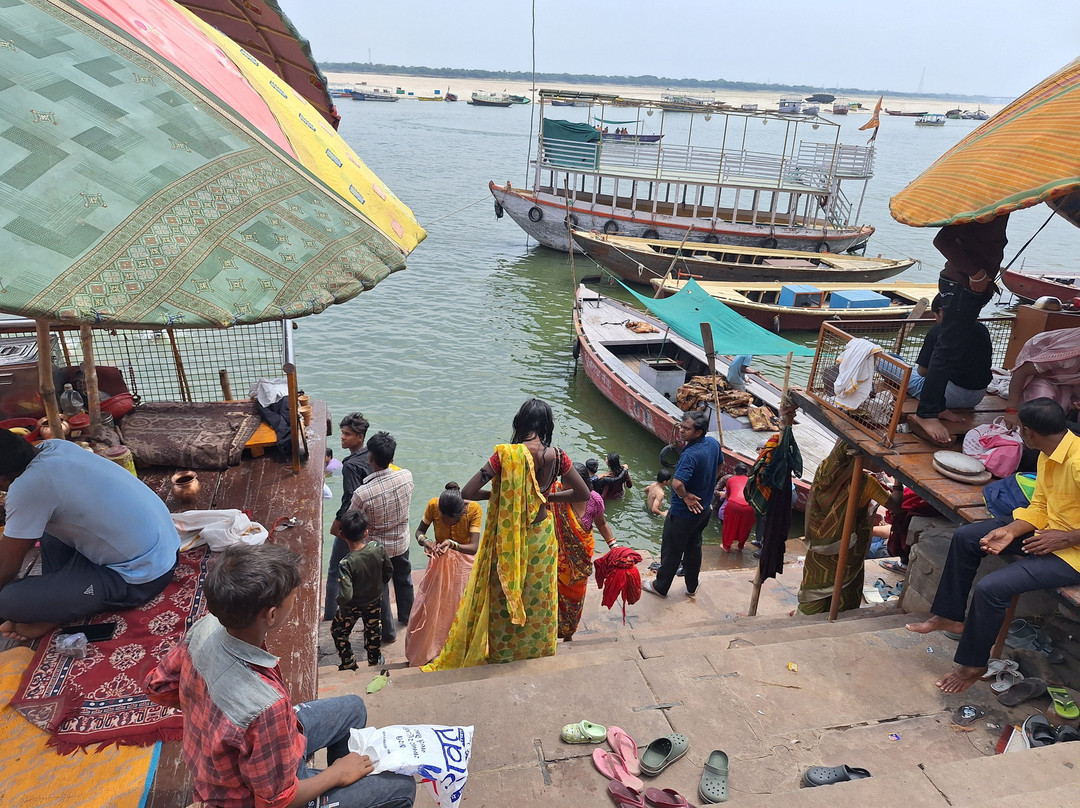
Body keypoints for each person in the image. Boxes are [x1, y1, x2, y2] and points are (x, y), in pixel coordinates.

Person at [145, 543, 415, 808]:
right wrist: (337, 774)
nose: (296, 602)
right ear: (271, 615)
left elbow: (157, 686)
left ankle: (336, 793)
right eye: (294, 598)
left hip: (220, 768)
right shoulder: (266, 707)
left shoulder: (207, 625)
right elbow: (277, 802)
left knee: (353, 709)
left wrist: (212, 713)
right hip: (249, 797)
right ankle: (331, 789)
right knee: (402, 788)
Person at [906, 398, 1080, 693]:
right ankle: (948, 616)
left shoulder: (1076, 461)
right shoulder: (1048, 452)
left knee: (992, 588)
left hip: (1072, 552)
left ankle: (974, 663)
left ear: (1029, 432)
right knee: (966, 537)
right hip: (1049, 533)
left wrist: (1068, 537)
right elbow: (1039, 506)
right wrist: (1010, 531)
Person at [425, 399, 590, 668]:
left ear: (520, 423)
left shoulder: (504, 456)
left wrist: (499, 495)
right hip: (541, 538)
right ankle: (536, 649)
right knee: (537, 597)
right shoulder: (557, 457)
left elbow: (467, 493)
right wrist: (546, 497)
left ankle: (504, 652)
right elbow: (583, 493)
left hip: (508, 538)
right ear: (546, 426)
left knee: (505, 592)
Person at [0, 432, 179, 641]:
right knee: (46, 527)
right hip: (165, 544)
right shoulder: (56, 447)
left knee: (8, 601)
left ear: (3, 478)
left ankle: (54, 607)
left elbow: (6, 566)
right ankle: (55, 603)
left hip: (143, 574)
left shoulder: (29, 488)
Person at [909, 216, 1009, 445]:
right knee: (946, 350)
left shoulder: (1000, 207)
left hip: (971, 286)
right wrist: (976, 273)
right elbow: (943, 240)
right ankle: (926, 413)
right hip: (961, 285)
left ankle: (937, 407)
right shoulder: (982, 204)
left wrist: (984, 278)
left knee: (949, 349)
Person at [643, 411, 721, 598]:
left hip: (682, 514)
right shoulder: (713, 444)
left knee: (671, 551)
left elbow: (677, 484)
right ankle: (691, 586)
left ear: (699, 432)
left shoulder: (690, 454)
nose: (681, 431)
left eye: (687, 429)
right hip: (704, 510)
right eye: (681, 426)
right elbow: (720, 465)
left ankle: (660, 586)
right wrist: (707, 486)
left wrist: (685, 496)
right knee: (694, 547)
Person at [404, 482, 482, 667]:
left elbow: (473, 548)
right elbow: (419, 532)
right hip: (439, 562)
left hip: (464, 566)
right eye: (442, 518)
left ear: (461, 514)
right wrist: (426, 542)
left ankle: (456, 647)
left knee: (458, 606)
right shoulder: (433, 505)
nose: (445, 522)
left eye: (450, 520)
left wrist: (452, 543)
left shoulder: (473, 510)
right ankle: (430, 648)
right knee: (429, 607)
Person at [350, 432, 414, 645]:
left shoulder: (362, 493)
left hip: (377, 550)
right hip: (402, 541)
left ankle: (388, 633)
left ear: (370, 457)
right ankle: (408, 617)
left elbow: (353, 520)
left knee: (382, 591)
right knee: (404, 579)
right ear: (392, 457)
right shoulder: (407, 476)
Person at [551, 462, 617, 640]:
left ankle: (568, 633)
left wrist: (613, 546)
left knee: (574, 600)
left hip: (580, 562)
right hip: (555, 559)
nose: (566, 490)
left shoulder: (593, 499)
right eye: (564, 485)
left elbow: (601, 523)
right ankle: (550, 633)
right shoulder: (555, 494)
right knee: (552, 597)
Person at [905, 294, 992, 411]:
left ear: (940, 311)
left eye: (935, 315)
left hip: (946, 396)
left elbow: (922, 371)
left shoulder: (939, 330)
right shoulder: (982, 329)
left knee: (887, 361)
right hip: (977, 396)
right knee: (908, 367)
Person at [325, 412, 372, 620]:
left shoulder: (351, 465)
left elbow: (349, 501)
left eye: (347, 434)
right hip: (368, 522)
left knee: (335, 570)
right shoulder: (371, 455)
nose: (342, 437)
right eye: (342, 433)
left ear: (359, 437)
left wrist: (338, 526)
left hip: (352, 524)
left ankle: (329, 616)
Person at [331, 510, 393, 671]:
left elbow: (346, 594)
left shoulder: (346, 563)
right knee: (373, 631)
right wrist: (378, 587)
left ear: (342, 534)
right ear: (366, 532)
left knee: (339, 632)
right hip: (374, 600)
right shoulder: (377, 548)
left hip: (352, 606)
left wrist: (340, 603)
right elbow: (388, 571)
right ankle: (374, 661)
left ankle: (349, 663)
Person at [1003, 327, 1080, 431]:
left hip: (1068, 379)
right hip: (1039, 372)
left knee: (1060, 412)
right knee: (1042, 410)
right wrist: (1011, 411)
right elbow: (1021, 372)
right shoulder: (1068, 356)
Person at [719, 463, 754, 552]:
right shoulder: (751, 480)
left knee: (728, 525)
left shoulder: (730, 480)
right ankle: (740, 546)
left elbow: (728, 496)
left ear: (735, 472)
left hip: (733, 504)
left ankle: (726, 546)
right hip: (748, 505)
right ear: (747, 472)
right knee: (745, 526)